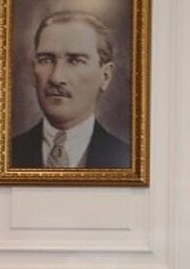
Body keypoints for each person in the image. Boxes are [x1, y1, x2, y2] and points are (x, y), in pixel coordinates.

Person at [10, 11, 130, 169]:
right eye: (46, 60)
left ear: (105, 76)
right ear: (33, 70)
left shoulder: (127, 159)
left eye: (75, 61)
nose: (56, 78)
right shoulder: (7, 155)